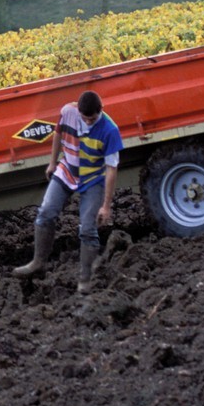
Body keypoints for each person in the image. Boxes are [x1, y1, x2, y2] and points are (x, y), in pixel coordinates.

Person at [13, 89, 123, 294]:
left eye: (92, 119)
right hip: (67, 171)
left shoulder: (110, 130)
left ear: (101, 111)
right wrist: (52, 163)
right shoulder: (68, 112)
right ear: (78, 112)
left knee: (87, 229)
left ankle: (85, 280)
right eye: (85, 119)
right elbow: (57, 134)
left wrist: (106, 206)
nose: (88, 123)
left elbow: (111, 170)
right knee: (45, 212)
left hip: (92, 178)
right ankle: (38, 263)